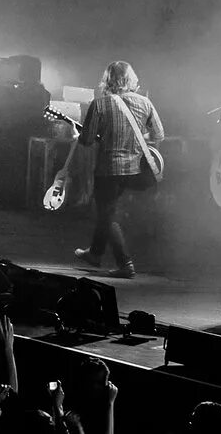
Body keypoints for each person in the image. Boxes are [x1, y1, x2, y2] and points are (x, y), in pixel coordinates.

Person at [73, 60, 164, 279]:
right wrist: (139, 139)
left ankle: (125, 264)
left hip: (108, 170)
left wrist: (79, 135)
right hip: (135, 171)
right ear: (131, 79)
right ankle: (94, 253)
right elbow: (159, 135)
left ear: (108, 80)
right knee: (107, 210)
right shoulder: (145, 103)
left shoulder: (100, 104)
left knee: (107, 215)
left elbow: (86, 140)